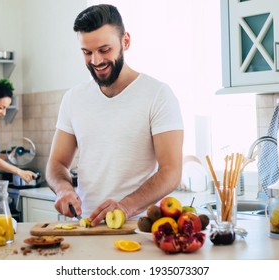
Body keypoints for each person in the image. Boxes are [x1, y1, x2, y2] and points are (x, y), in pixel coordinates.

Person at [46, 4, 184, 226]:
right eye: (87, 52)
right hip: (86, 225)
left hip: (138, 227)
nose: (96, 61)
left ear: (125, 42)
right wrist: (63, 188)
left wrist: (126, 207)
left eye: (104, 50)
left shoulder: (158, 94)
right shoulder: (74, 98)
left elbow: (171, 171)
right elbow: (57, 163)